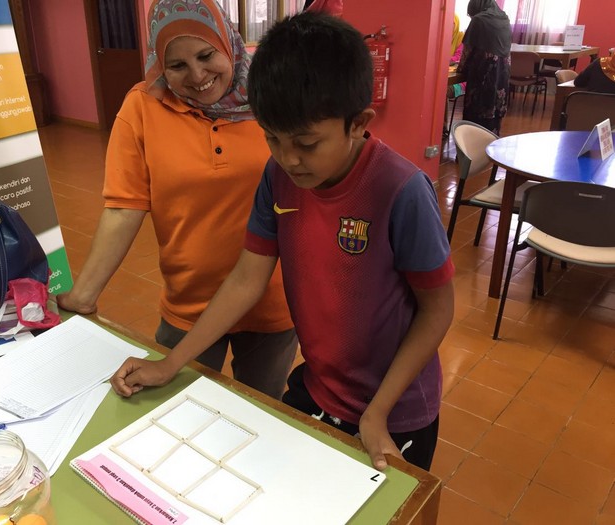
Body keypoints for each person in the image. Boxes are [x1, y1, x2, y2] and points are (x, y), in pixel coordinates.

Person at [110, 12, 455, 472]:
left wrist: (376, 414)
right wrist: (170, 363)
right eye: (272, 138)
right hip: (318, 389)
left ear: (358, 123)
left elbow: (438, 310)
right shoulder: (278, 177)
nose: (289, 159)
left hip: (396, 413)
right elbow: (246, 279)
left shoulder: (402, 190)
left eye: (307, 144)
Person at [58, 0, 298, 400]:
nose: (198, 76)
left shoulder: (272, 96)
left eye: (206, 56)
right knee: (172, 407)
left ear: (228, 43)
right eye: (177, 65)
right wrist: (84, 294)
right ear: (158, 63)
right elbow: (123, 207)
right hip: (188, 304)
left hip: (272, 301)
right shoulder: (143, 106)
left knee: (261, 411)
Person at [457, 0, 511, 134]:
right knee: (494, 118)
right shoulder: (504, 19)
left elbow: (467, 51)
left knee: (476, 118)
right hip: (501, 76)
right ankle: (491, 144)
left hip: (483, 76)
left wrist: (460, 70)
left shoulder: (478, 20)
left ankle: (471, 146)